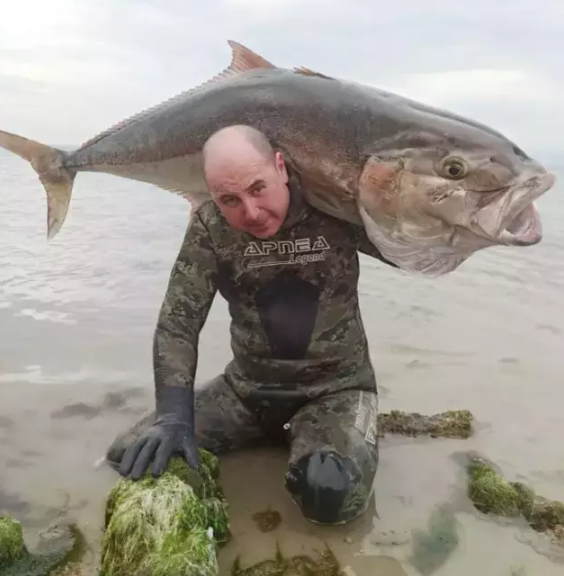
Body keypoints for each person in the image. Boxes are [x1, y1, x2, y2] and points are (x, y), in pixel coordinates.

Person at [105, 124, 398, 526]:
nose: (251, 212)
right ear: (211, 196)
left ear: (280, 166)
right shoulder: (212, 227)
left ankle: (317, 441)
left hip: (337, 390)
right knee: (130, 454)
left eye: (258, 188)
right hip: (248, 392)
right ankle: (277, 436)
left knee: (328, 492)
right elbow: (178, 326)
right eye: (230, 199)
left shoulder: (334, 208)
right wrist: (174, 417)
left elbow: (417, 247)